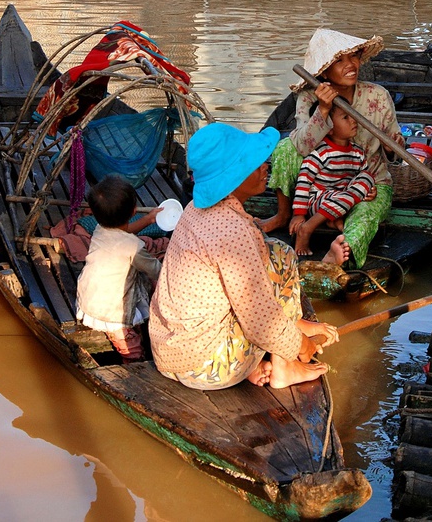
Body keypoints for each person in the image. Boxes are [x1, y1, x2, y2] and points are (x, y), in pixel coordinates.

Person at [149, 123, 341, 390]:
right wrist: (301, 345)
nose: (265, 166)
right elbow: (260, 321)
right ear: (233, 177)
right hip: (203, 366)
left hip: (169, 351)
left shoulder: (194, 208)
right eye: (255, 163)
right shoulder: (234, 231)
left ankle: (289, 327)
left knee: (279, 251)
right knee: (269, 304)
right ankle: (284, 367)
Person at [261, 28, 405, 268]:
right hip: (321, 184)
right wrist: (324, 111)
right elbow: (301, 147)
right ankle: (284, 214)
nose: (350, 65)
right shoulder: (309, 97)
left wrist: (394, 148)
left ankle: (337, 256)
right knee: (285, 148)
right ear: (324, 71)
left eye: (353, 57)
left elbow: (394, 152)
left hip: (366, 184)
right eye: (338, 61)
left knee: (364, 219)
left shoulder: (378, 96)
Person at [76, 174, 162, 362]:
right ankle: (131, 362)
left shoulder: (100, 228)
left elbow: (123, 232)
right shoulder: (134, 247)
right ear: (133, 211)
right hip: (111, 311)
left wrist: (149, 219)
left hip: (91, 296)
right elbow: (158, 271)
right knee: (131, 349)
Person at [290, 103, 376, 256]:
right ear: (328, 128)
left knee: (367, 176)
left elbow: (361, 180)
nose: (353, 121)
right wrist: (299, 213)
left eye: (352, 115)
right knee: (345, 197)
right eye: (345, 117)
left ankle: (332, 219)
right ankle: (307, 228)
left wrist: (370, 190)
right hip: (318, 200)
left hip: (343, 198)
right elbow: (303, 183)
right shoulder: (320, 153)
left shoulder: (358, 153)